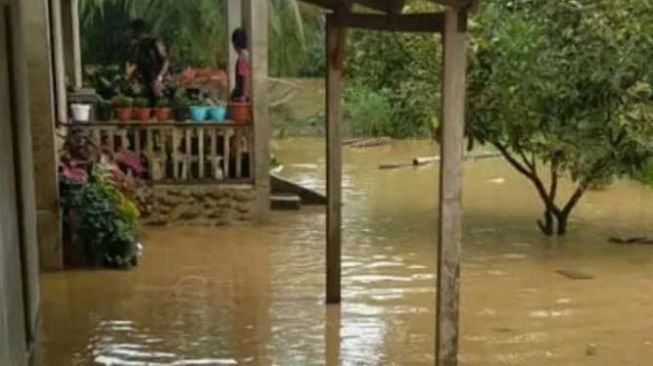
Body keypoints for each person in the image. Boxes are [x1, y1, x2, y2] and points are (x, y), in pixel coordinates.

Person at [127, 19, 170, 106]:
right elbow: (140, 65)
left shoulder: (155, 42)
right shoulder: (139, 46)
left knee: (162, 107)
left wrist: (159, 79)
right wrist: (131, 78)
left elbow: (166, 61)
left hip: (160, 81)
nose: (133, 35)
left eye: (134, 32)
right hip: (148, 82)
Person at [231, 28, 251, 102]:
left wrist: (244, 96)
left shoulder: (242, 58)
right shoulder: (248, 55)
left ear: (234, 44)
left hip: (245, 96)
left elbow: (245, 76)